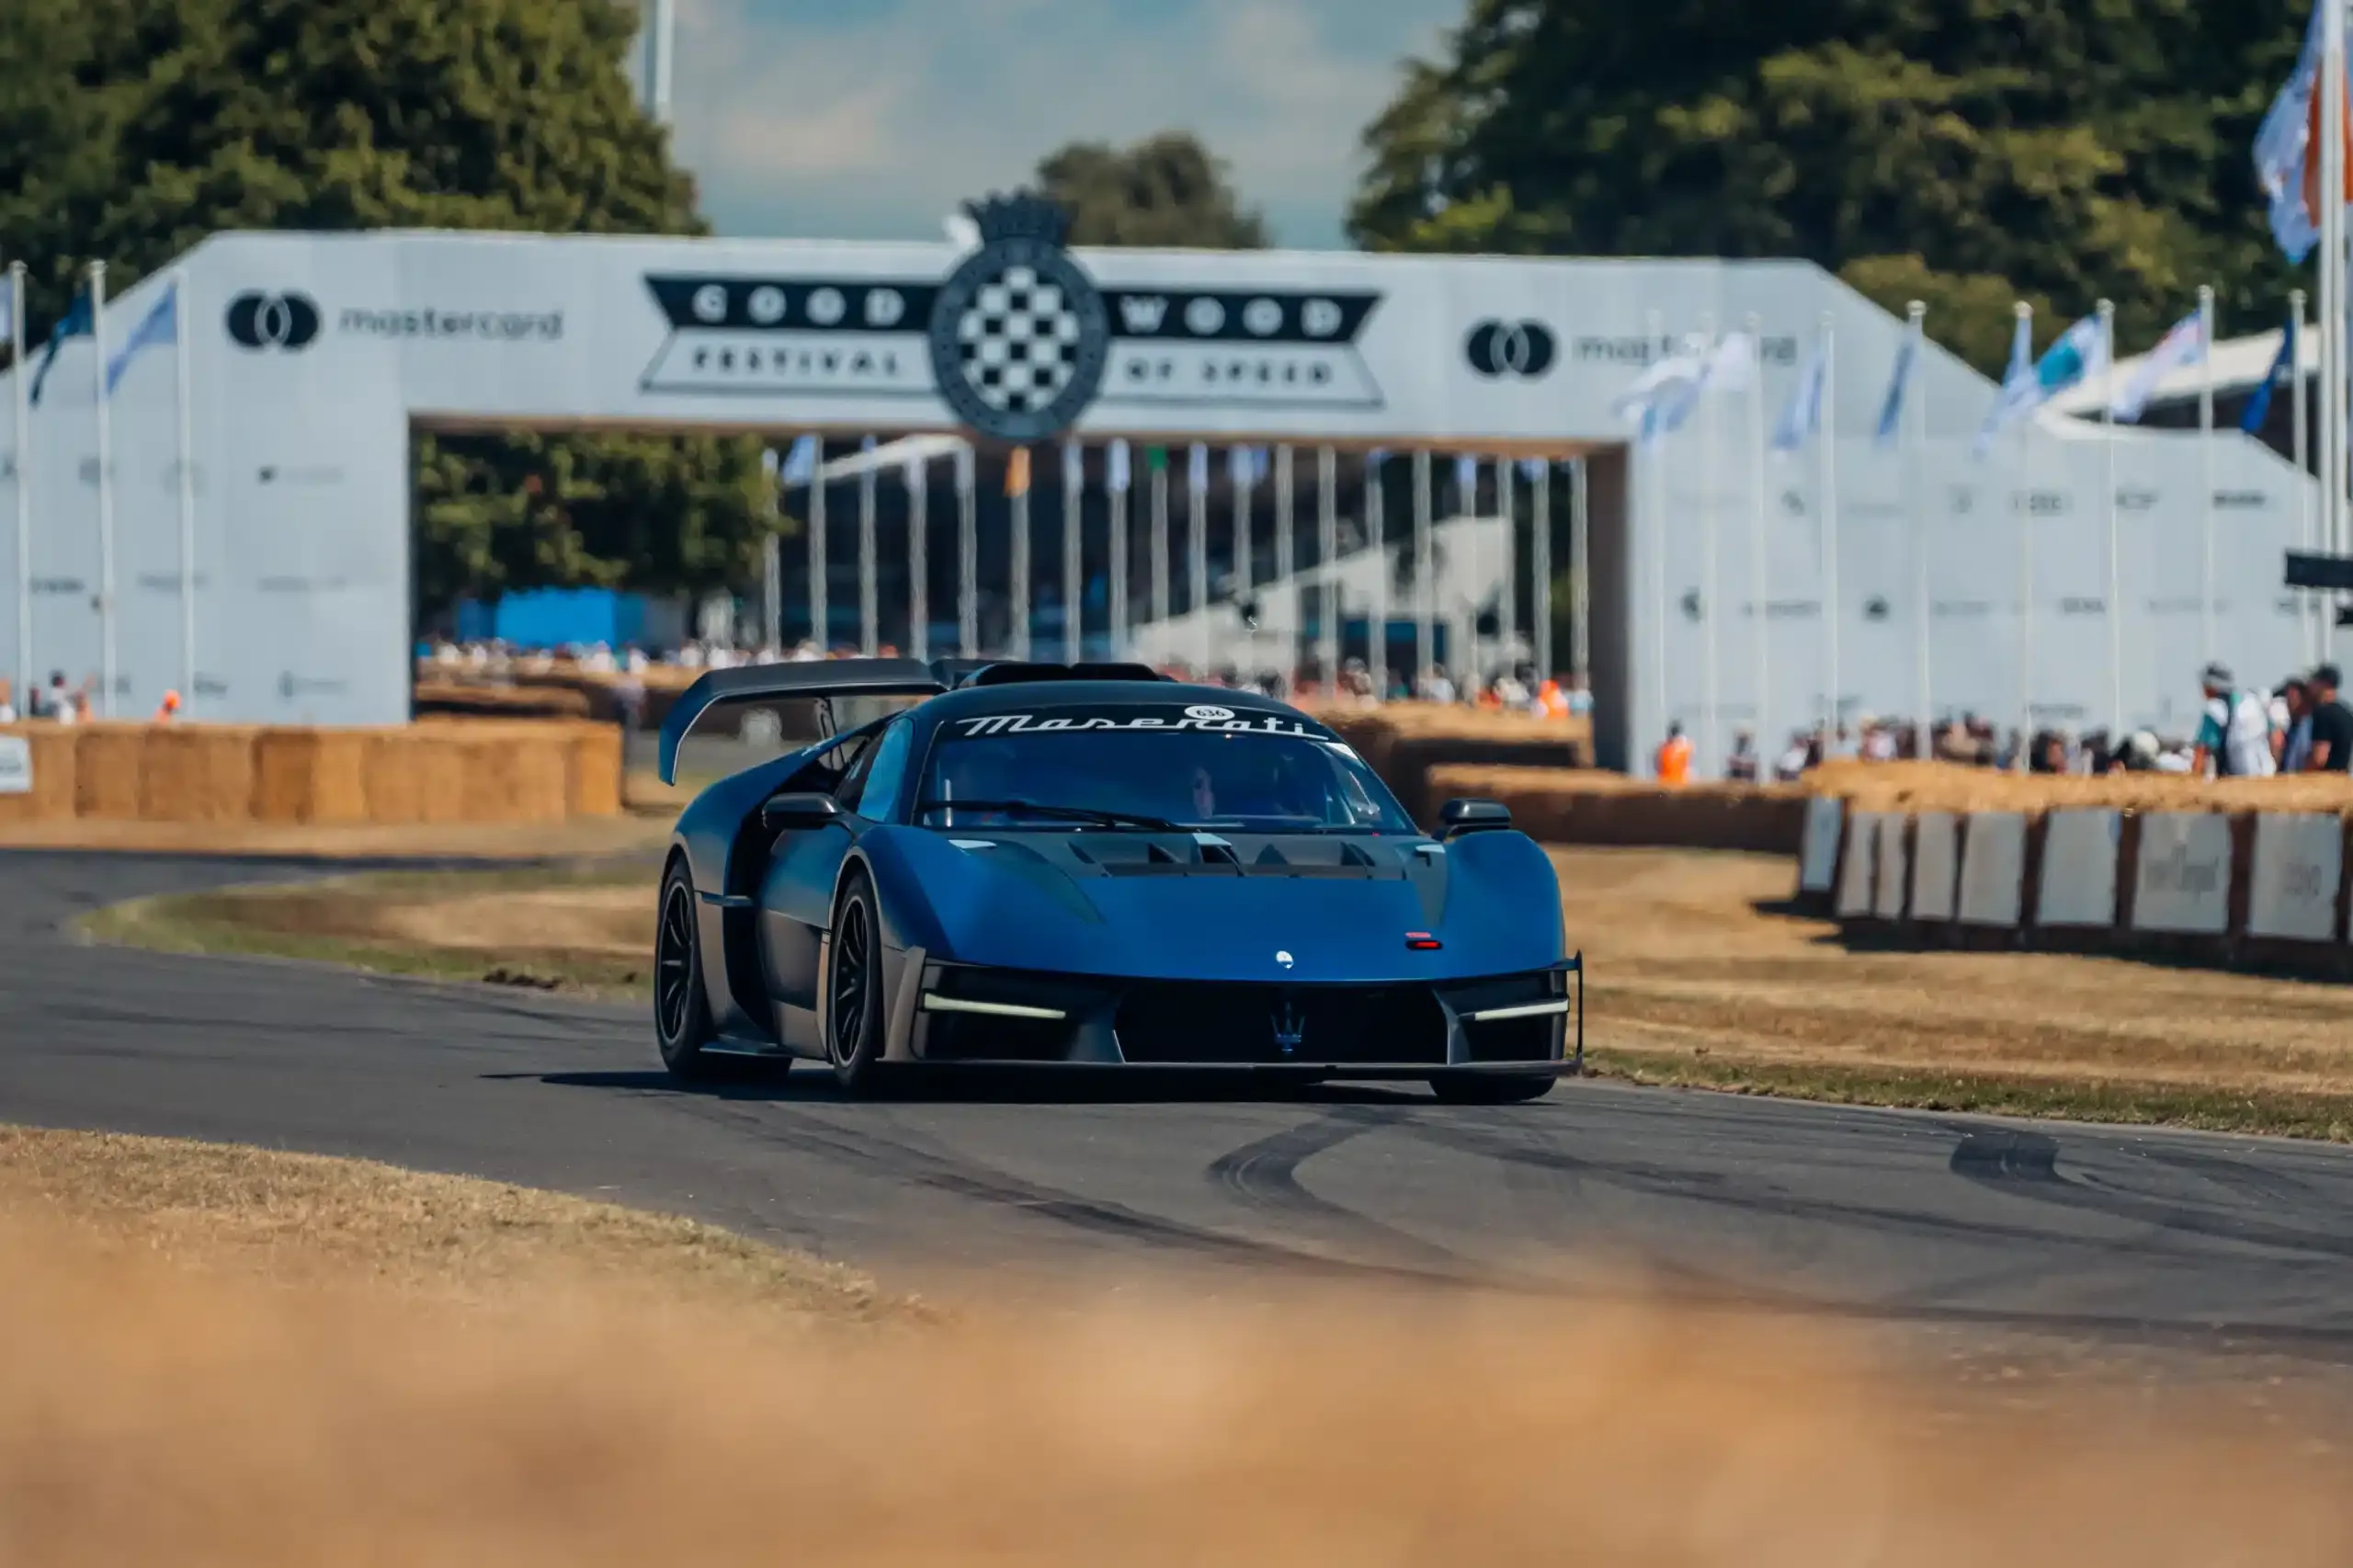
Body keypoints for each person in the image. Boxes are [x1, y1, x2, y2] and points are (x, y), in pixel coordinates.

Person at [2191, 662, 2278, 778]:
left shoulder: (2215, 709)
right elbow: (2277, 739)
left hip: (2238, 778)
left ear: (2211, 686)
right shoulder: (2254, 701)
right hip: (2268, 775)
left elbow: (2201, 750)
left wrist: (2193, 781)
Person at [2306, 663, 2353, 772]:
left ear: (2323, 684)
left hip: (2326, 781)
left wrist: (2299, 773)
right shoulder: (2347, 713)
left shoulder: (2323, 713)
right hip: (2345, 780)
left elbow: (2319, 758)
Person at [2278, 677, 2314, 772]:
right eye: (2287, 697)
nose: (2288, 702)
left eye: (2292, 697)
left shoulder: (2309, 725)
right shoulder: (2289, 726)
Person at [1654, 721, 1692, 786]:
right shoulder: (1684, 749)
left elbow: (1657, 767)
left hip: (1665, 784)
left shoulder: (1662, 749)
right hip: (1677, 784)